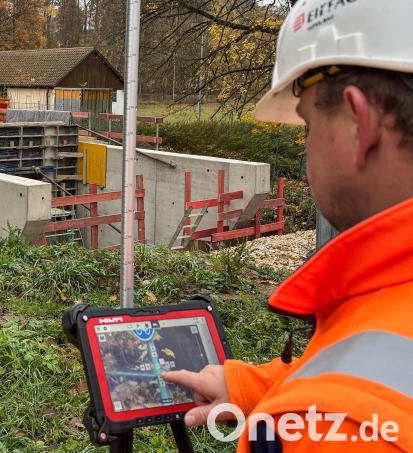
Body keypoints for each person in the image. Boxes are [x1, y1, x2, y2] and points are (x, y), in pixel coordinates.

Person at [162, 0, 413, 451]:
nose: (307, 149)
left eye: (308, 126)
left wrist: (288, 416)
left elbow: (354, 396)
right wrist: (252, 388)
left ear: (361, 124)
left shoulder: (333, 429)